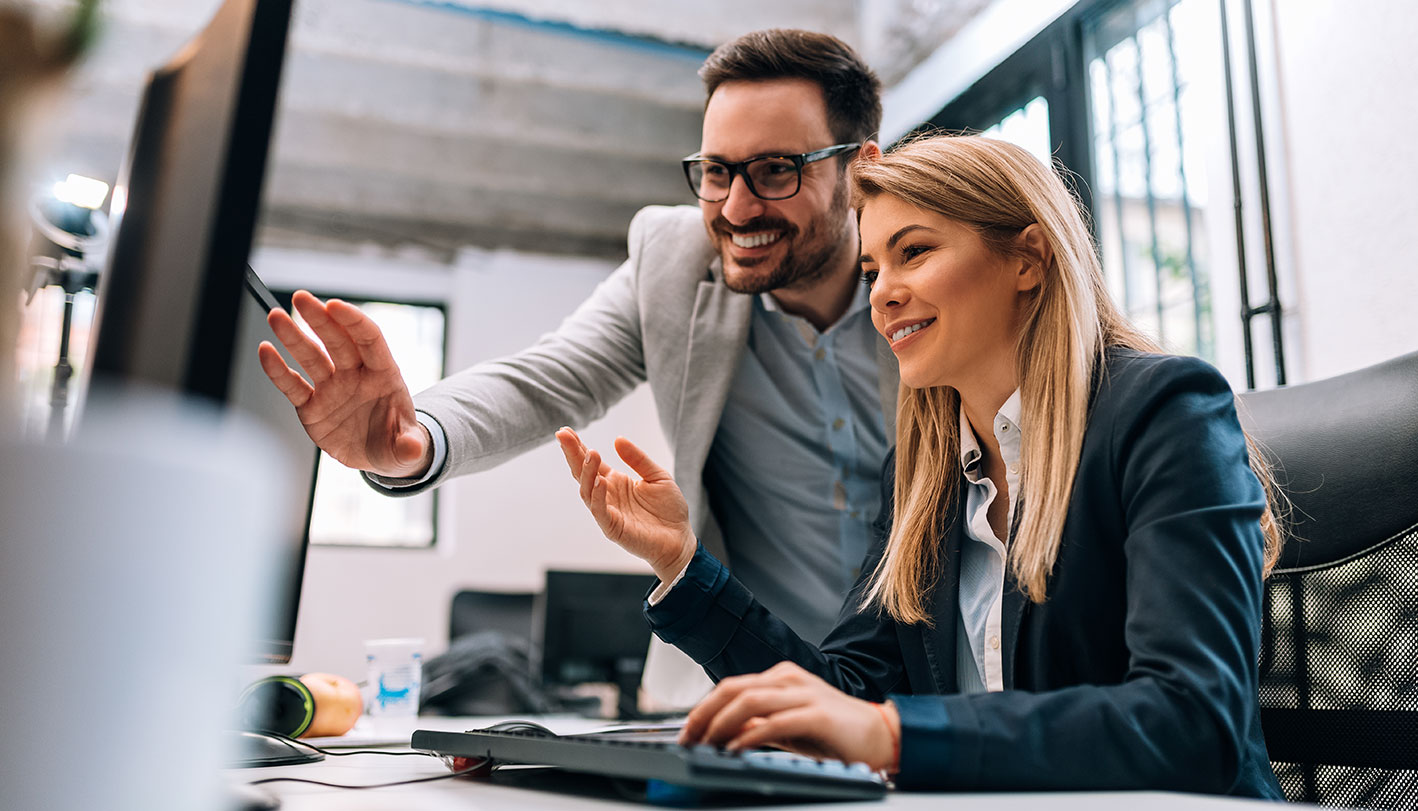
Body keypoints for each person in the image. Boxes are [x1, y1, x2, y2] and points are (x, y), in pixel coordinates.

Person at [553, 133, 1287, 797]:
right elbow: (843, 693)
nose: (882, 293)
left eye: (914, 252)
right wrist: (684, 563)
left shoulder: (1165, 413)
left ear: (1028, 259)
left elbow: (1194, 718)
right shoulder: (921, 472)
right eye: (873, 267)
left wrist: (895, 736)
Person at [256, 30, 898, 654]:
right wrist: (414, 439)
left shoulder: (934, 283)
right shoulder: (674, 262)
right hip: (756, 679)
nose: (734, 208)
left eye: (775, 170)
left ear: (861, 169)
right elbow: (548, 379)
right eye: (716, 171)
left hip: (936, 685)